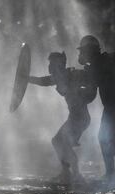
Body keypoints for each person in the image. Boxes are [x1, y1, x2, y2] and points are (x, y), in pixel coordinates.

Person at [29, 52, 97, 183]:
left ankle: (76, 175)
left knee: (62, 143)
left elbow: (91, 80)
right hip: (75, 118)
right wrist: (27, 78)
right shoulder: (59, 77)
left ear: (59, 64)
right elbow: (43, 81)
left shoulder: (72, 74)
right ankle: (67, 173)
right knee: (58, 142)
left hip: (80, 118)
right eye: (50, 64)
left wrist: (85, 91)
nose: (51, 67)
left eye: (53, 64)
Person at [77, 35, 115, 181]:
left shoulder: (102, 63)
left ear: (90, 51)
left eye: (83, 51)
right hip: (114, 105)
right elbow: (91, 93)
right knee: (106, 138)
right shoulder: (98, 65)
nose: (81, 55)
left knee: (107, 138)